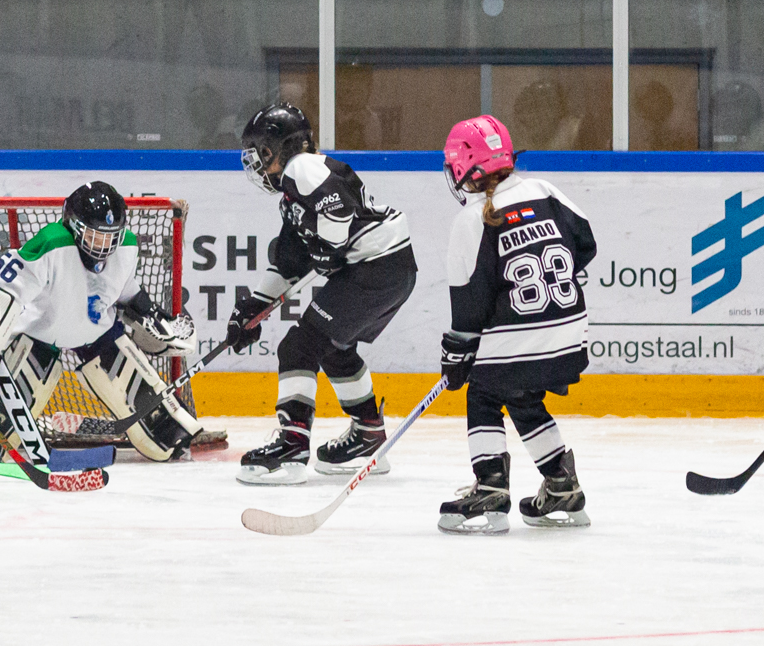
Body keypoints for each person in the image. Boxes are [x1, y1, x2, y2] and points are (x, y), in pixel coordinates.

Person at [0, 180, 202, 462]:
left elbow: (124, 287)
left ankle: (167, 433)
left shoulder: (127, 247)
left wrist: (147, 312)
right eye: (94, 237)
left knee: (164, 426)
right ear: (72, 227)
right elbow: (4, 284)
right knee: (18, 395)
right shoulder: (52, 244)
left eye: (110, 237)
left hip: (99, 331)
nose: (103, 246)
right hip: (43, 333)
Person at [228, 102, 417, 485]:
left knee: (298, 348)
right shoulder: (292, 198)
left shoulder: (303, 167)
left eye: (263, 153)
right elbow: (288, 265)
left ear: (283, 147)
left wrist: (327, 247)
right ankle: (368, 436)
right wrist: (252, 308)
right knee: (335, 347)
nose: (259, 164)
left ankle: (291, 447)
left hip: (375, 265)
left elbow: (338, 213)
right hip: (393, 268)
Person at [436, 115, 594, 534]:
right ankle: (562, 486)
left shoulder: (472, 220)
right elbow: (587, 243)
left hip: (523, 334)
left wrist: (456, 354)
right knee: (520, 393)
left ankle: (490, 486)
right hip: (569, 328)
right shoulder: (544, 190)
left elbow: (469, 306)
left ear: (464, 166)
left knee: (484, 392)